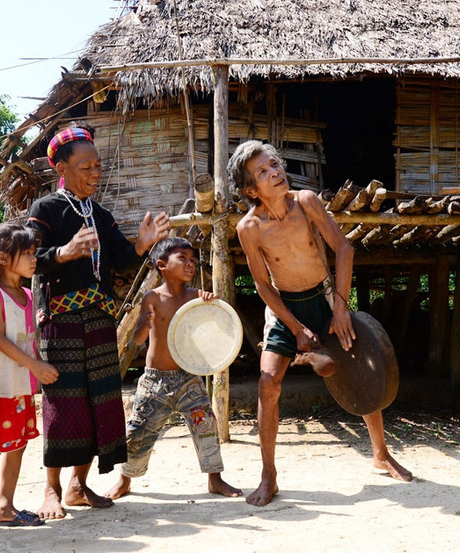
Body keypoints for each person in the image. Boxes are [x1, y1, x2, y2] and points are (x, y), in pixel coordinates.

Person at [230, 140, 413, 507]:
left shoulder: (306, 202)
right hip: (285, 309)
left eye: (275, 165)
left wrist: (341, 309)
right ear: (252, 190)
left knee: (360, 365)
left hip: (327, 298)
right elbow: (263, 286)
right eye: (263, 172)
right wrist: (296, 329)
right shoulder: (249, 228)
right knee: (268, 384)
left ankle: (380, 452)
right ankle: (269, 475)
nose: (275, 172)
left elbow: (344, 248)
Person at [27, 126, 171, 520]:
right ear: (61, 167)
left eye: (98, 166)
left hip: (100, 319)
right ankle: (51, 489)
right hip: (61, 320)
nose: (95, 173)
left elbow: (121, 259)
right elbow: (28, 258)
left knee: (100, 401)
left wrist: (141, 244)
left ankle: (78, 484)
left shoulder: (101, 215)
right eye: (85, 166)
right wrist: (64, 252)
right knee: (65, 401)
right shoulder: (46, 210)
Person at [104, 237, 242, 501]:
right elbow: (137, 340)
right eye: (182, 258)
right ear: (162, 264)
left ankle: (215, 479)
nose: (190, 264)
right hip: (155, 381)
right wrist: (144, 324)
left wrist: (211, 302)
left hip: (189, 378)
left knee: (207, 429)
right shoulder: (152, 298)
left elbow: (217, 326)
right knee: (138, 431)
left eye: (193, 260)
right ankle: (124, 481)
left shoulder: (197, 298)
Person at [0, 222, 60, 537]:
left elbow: (28, 338)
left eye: (35, 253)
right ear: (4, 259)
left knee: (17, 446)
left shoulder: (26, 293)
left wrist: (37, 368)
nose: (35, 259)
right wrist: (36, 366)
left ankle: (5, 506)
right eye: (28, 253)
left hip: (21, 386)